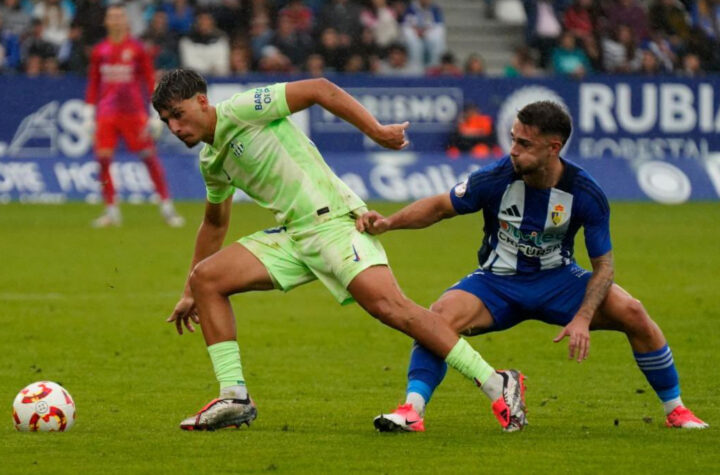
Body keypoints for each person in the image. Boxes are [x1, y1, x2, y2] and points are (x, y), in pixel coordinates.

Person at [152, 68, 528, 432]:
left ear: (202, 101)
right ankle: (233, 396)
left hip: (332, 221)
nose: (174, 127)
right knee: (206, 279)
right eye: (166, 120)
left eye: (178, 114)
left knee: (392, 309)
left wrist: (377, 132)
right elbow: (215, 224)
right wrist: (189, 292)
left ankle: (497, 382)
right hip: (294, 235)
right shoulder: (210, 161)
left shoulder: (242, 108)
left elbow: (319, 87)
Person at [357, 101, 709, 432]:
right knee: (436, 318)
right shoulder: (495, 177)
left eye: (524, 143)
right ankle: (412, 410)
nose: (513, 150)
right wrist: (388, 224)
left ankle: (676, 409)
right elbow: (438, 207)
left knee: (633, 312)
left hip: (559, 281)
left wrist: (583, 317)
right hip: (497, 282)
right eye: (513, 140)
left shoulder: (586, 193)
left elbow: (604, 266)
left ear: (553, 148)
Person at [84, 4, 184, 228]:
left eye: (120, 16)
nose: (116, 20)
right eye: (112, 17)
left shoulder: (137, 49)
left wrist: (155, 113)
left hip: (133, 113)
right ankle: (111, 210)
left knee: (149, 158)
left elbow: (150, 81)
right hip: (107, 114)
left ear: (125, 21)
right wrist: (88, 113)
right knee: (103, 159)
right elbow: (94, 83)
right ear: (106, 21)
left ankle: (167, 208)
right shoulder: (100, 51)